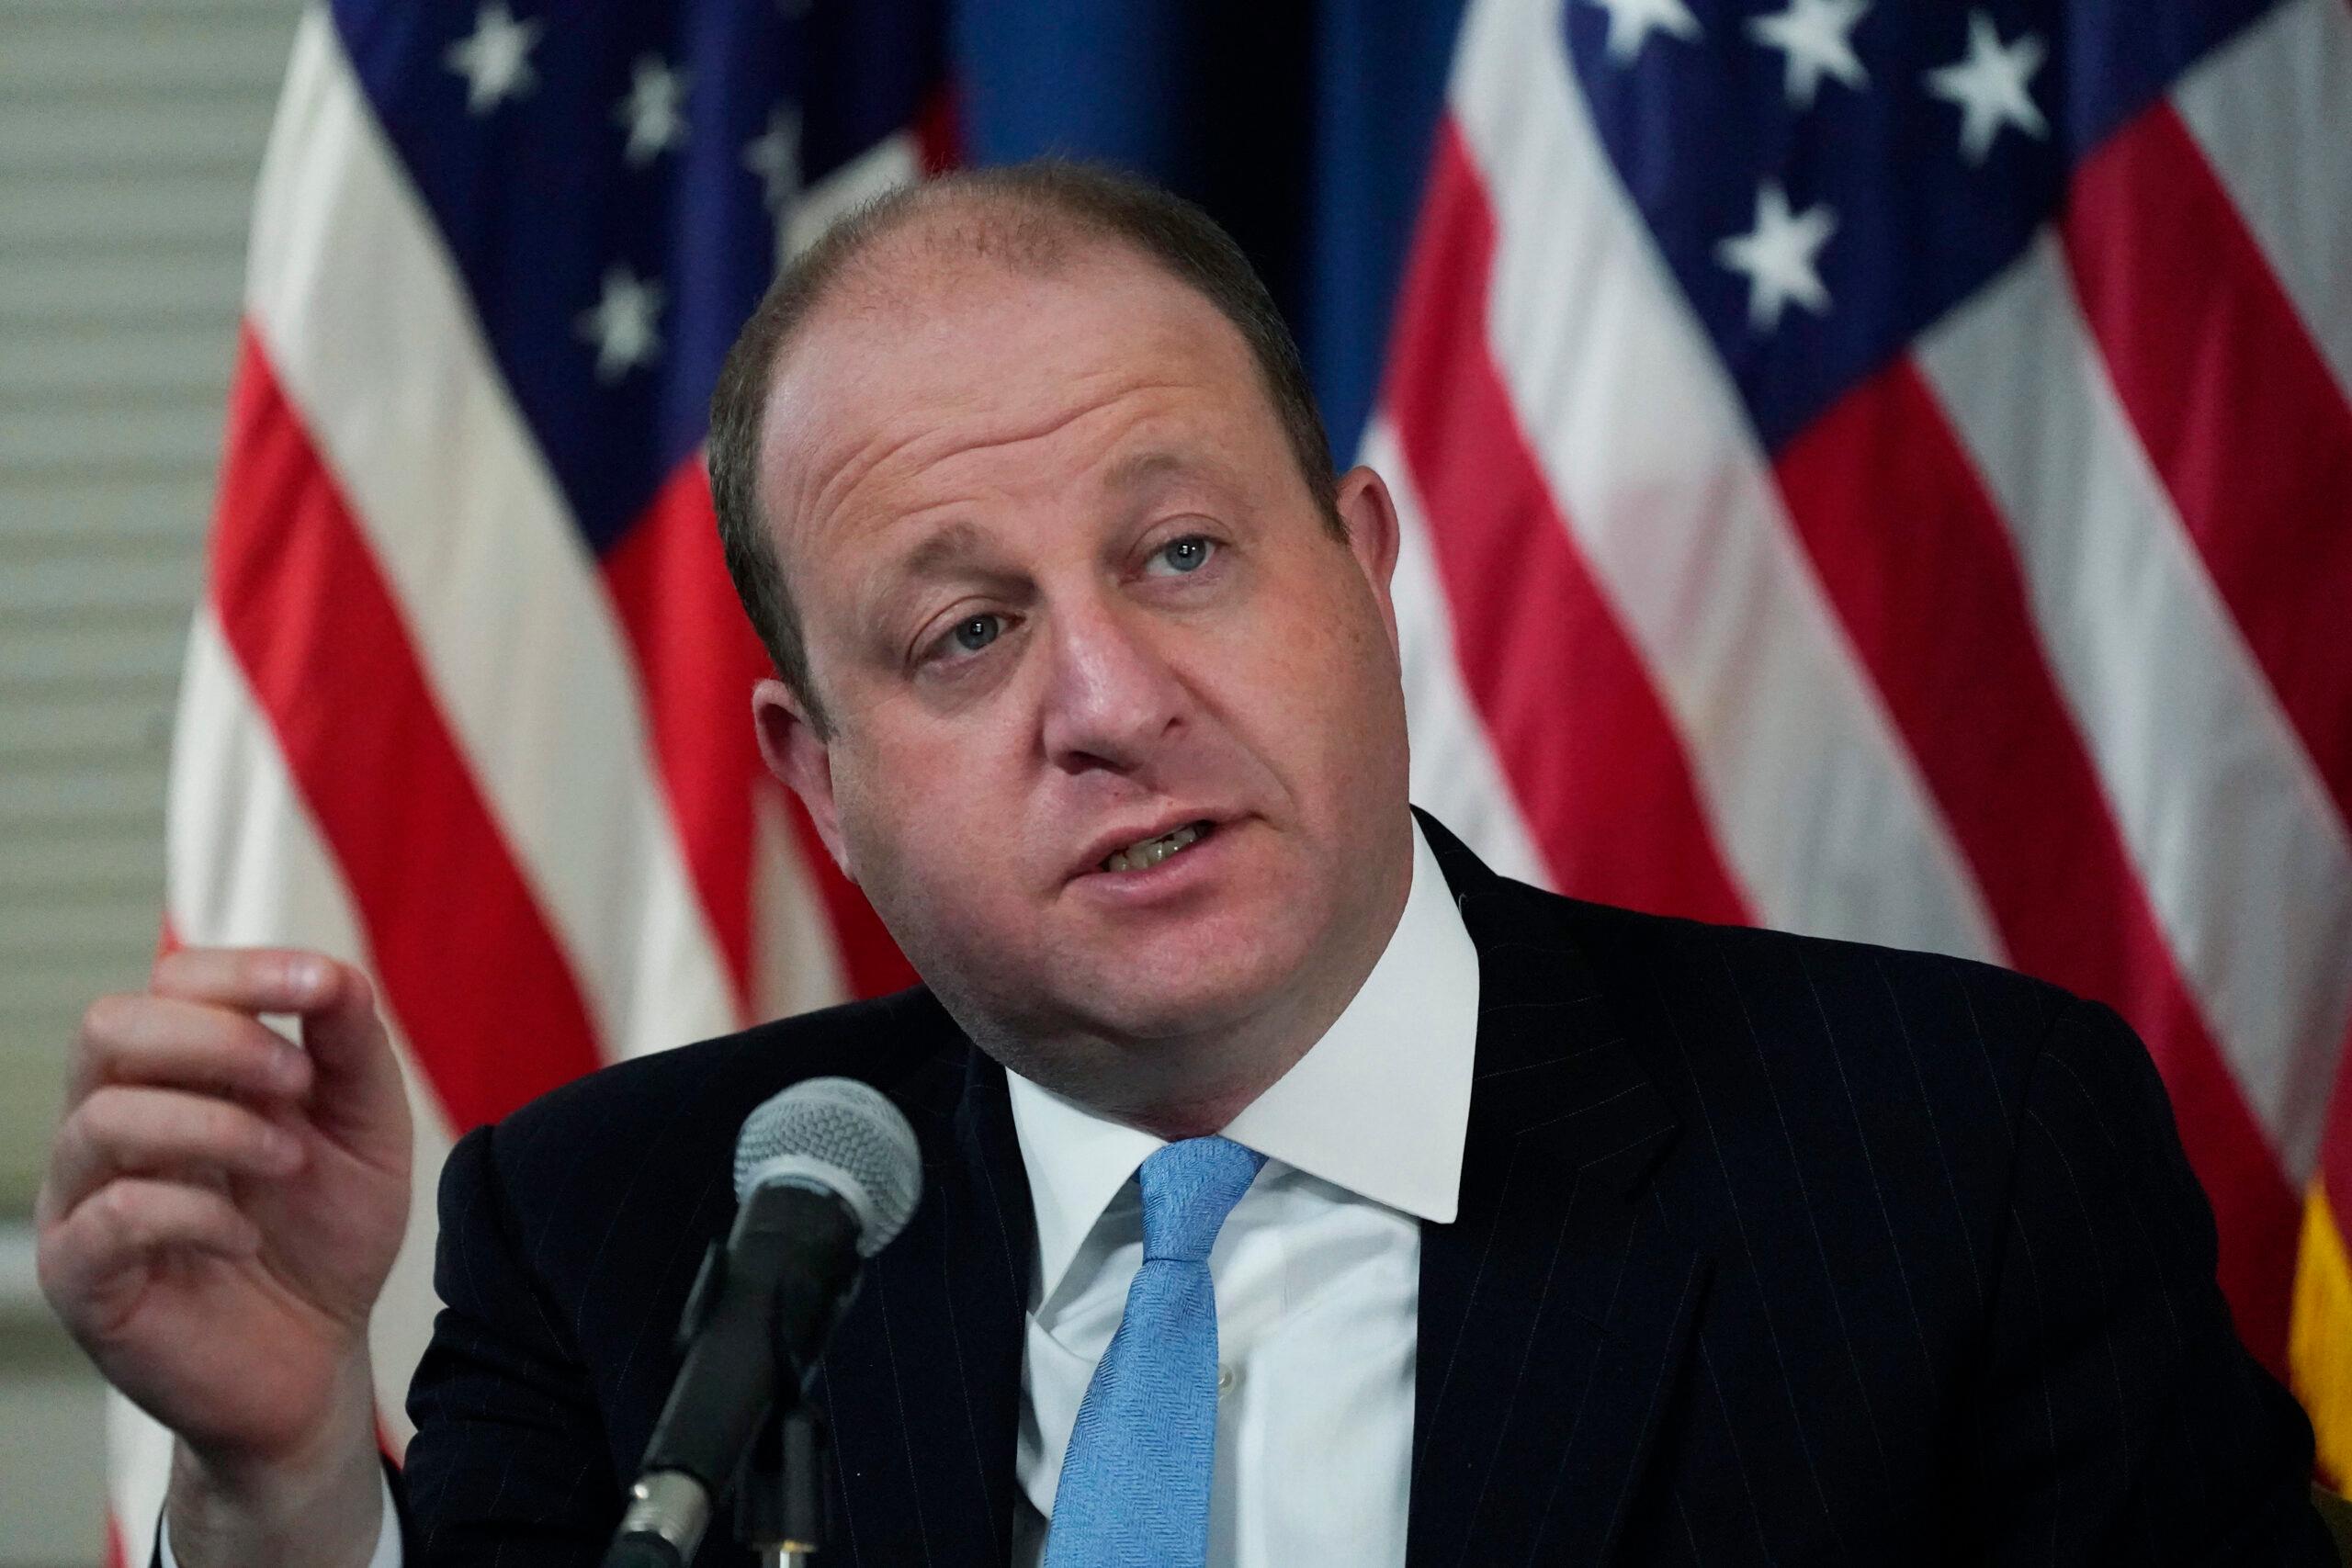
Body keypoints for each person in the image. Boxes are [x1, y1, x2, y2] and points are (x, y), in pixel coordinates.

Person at [37, 162, 2333, 1567]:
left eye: (1180, 552)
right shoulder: (638, 1223)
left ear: (1360, 569)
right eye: (963, 631)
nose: (1108, 695)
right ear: (818, 783)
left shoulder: (1949, 1153)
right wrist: (283, 1479)